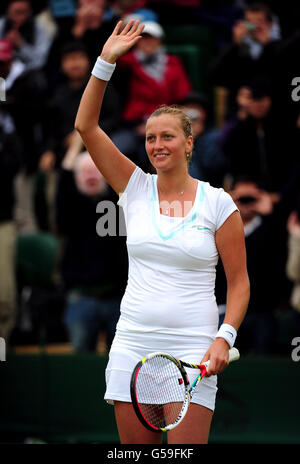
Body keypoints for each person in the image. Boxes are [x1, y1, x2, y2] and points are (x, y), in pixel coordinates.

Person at [74, 20, 250, 444]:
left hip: (193, 349)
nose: (157, 145)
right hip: (131, 343)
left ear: (189, 144)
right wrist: (104, 63)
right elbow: (86, 126)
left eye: (168, 136)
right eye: (151, 138)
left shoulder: (218, 203)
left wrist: (225, 338)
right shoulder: (133, 186)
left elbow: (240, 282)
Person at [55, 132, 127, 353]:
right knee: (81, 359)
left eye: (95, 170)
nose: (90, 175)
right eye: (84, 172)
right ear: (76, 179)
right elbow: (65, 179)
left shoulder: (119, 206)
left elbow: (121, 171)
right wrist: (78, 141)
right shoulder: (70, 210)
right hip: (81, 297)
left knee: (120, 360)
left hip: (118, 299)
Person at [0, 0, 52, 72]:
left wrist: (21, 45)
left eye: (26, 12)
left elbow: (40, 60)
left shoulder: (39, 30)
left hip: (27, 73)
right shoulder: (1, 25)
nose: (22, 17)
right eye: (17, 12)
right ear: (8, 11)